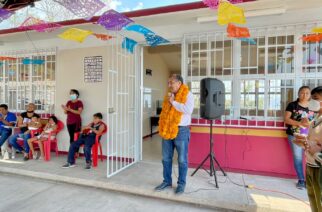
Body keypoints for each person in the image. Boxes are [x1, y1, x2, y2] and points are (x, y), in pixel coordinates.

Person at [155, 74, 194, 194]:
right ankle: (166, 181)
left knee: (182, 160)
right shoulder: (169, 96)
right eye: (168, 83)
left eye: (171, 83)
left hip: (181, 130)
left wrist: (173, 102)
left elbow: (188, 110)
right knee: (166, 158)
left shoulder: (188, 94)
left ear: (179, 83)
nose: (169, 85)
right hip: (167, 129)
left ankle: (181, 184)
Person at [293, 86, 322, 212]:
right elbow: (311, 140)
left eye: (315, 98)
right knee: (313, 198)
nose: (312, 101)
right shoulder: (315, 119)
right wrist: (303, 141)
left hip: (319, 166)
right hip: (310, 164)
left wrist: (312, 146)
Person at [284, 86, 315, 189]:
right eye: (302, 93)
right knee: (298, 158)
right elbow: (287, 120)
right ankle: (301, 180)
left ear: (310, 95)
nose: (304, 95)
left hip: (310, 137)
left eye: (307, 93)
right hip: (295, 136)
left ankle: (311, 181)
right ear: (298, 94)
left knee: (311, 158)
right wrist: (300, 123)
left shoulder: (313, 107)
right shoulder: (292, 105)